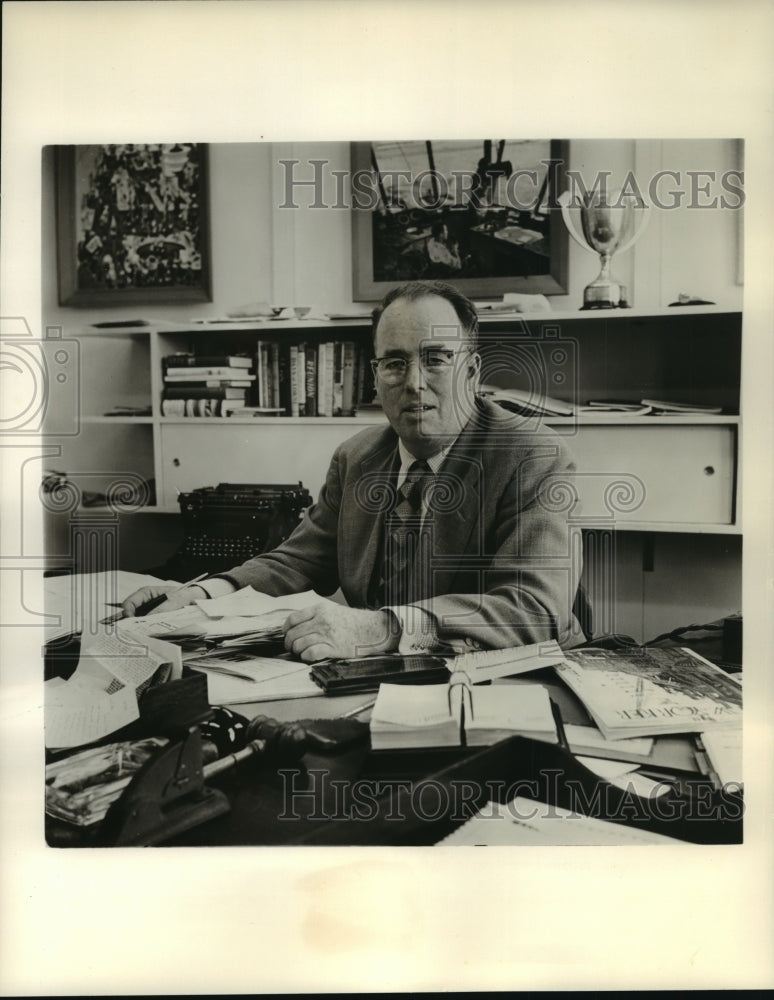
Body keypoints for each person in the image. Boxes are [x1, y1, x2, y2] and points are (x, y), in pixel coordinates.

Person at [123, 280, 582, 661]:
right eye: (395, 363)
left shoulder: (532, 454)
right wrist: (203, 594)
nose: (414, 382)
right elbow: (300, 559)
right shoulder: (358, 457)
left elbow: (533, 610)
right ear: (376, 375)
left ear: (473, 372)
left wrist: (381, 627)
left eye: (437, 358)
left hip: (518, 681)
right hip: (386, 677)